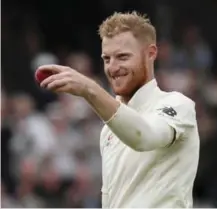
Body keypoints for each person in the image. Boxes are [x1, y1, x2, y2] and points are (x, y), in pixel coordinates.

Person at [38, 11, 200, 208]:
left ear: (151, 53)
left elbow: (143, 136)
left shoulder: (178, 105)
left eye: (122, 57)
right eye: (107, 59)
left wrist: (89, 89)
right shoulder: (109, 129)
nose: (113, 68)